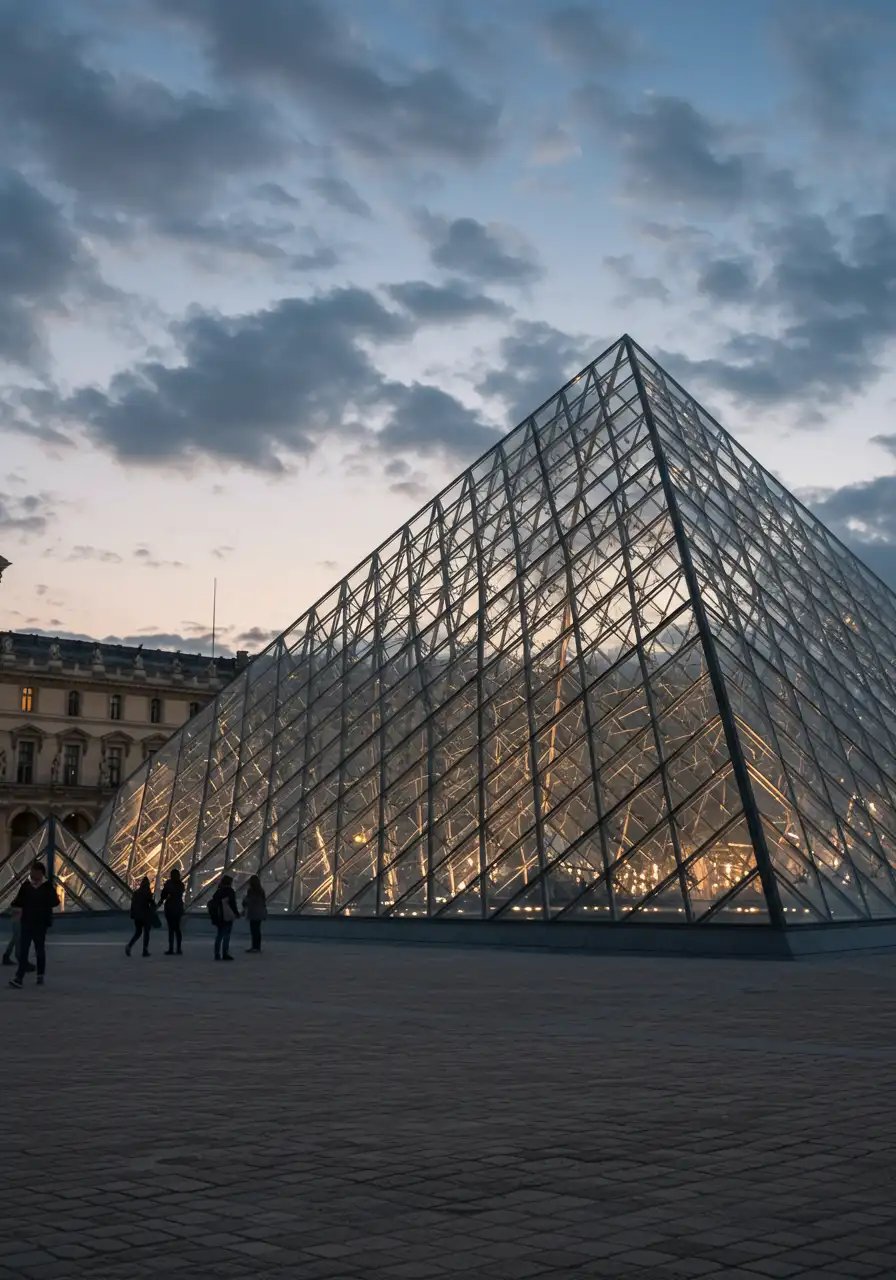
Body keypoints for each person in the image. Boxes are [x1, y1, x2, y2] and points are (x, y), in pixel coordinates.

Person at [8, 862, 58, 988]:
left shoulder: (47, 886)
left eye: (34, 872)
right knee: (24, 950)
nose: (31, 874)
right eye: (31, 871)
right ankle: (19, 977)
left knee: (39, 950)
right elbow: (18, 900)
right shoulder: (26, 885)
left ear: (40, 873)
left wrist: (43, 903)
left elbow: (55, 901)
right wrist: (15, 907)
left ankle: (40, 974)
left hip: (40, 923)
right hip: (27, 922)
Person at [209, 874, 239, 961]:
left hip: (219, 916)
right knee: (227, 935)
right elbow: (233, 904)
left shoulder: (218, 892)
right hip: (227, 915)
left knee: (219, 935)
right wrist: (236, 913)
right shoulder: (230, 891)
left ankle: (217, 954)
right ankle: (225, 953)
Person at [126, 876, 156, 957]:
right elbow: (151, 903)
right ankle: (145, 950)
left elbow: (133, 905)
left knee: (138, 932)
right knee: (146, 933)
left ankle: (129, 945)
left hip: (137, 916)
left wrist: (132, 915)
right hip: (145, 915)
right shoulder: (147, 892)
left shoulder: (136, 893)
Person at [159, 867, 185, 955]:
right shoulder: (181, 884)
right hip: (178, 908)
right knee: (177, 929)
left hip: (170, 908)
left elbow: (163, 895)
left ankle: (171, 948)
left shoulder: (169, 884)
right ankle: (178, 948)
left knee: (171, 929)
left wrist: (160, 902)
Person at [242, 875, 268, 953]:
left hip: (253, 911)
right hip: (260, 911)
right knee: (257, 930)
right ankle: (257, 947)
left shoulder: (251, 890)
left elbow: (248, 901)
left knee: (253, 930)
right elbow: (263, 901)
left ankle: (254, 946)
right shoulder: (261, 890)